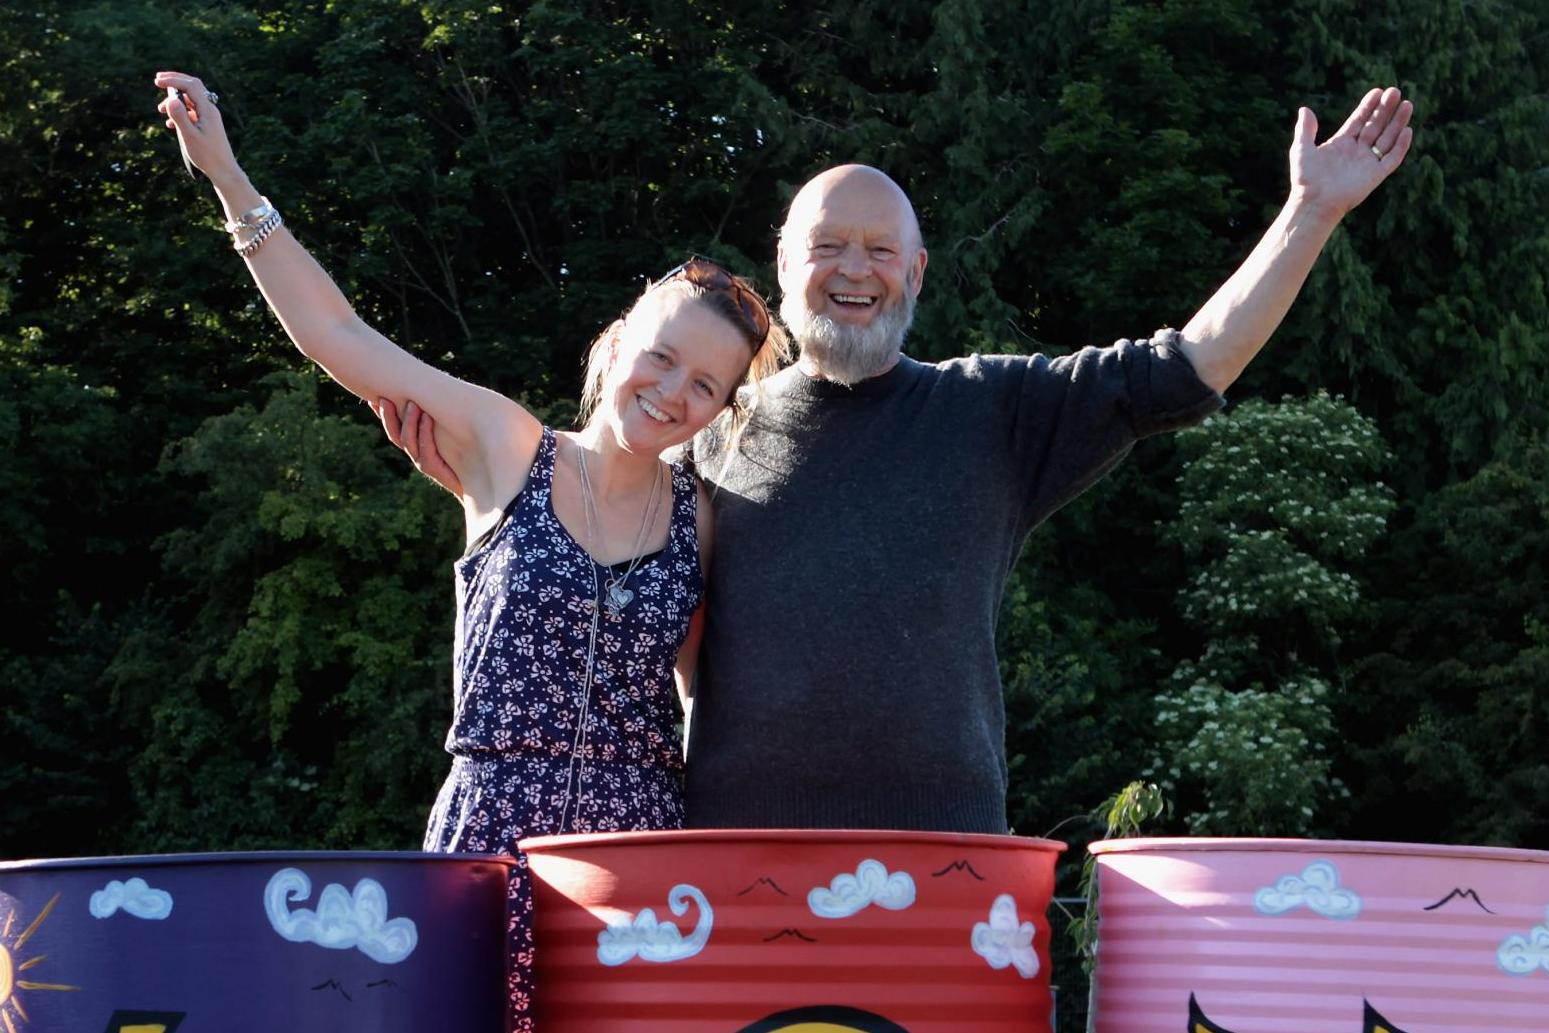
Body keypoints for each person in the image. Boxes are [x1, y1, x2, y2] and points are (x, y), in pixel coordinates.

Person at [379, 87, 1416, 834]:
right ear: (787, 271)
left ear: (915, 272)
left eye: (879, 249)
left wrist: (1309, 212)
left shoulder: (994, 409)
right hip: (730, 854)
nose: (854, 270)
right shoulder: (710, 427)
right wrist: (501, 506)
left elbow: (1186, 364)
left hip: (946, 850)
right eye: (828, 246)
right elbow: (601, 562)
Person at [151, 69, 787, 1029]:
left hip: (642, 859)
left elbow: (706, 702)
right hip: (488, 845)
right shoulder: (506, 445)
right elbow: (339, 335)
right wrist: (228, 178)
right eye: (660, 355)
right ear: (617, 345)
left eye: (704, 384)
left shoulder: (703, 514)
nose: (671, 391)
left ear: (720, 407)